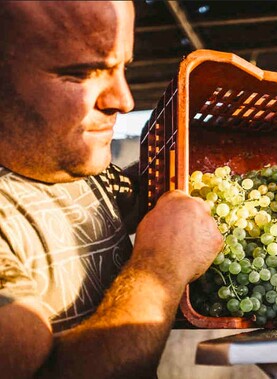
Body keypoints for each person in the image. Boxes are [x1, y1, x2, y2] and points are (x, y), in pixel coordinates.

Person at [0, 2, 223, 378]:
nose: (123, 100)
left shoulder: (66, 162)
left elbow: (122, 198)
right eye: (82, 73)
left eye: (123, 68)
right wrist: (160, 270)